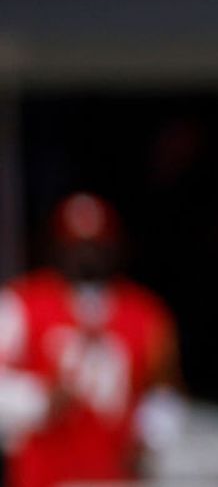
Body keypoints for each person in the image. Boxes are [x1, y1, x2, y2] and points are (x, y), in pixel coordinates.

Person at [0, 192, 183, 487]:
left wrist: (150, 437)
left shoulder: (145, 312)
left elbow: (165, 390)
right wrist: (38, 400)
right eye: (77, 245)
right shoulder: (21, 304)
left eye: (97, 244)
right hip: (43, 476)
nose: (87, 255)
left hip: (115, 475)